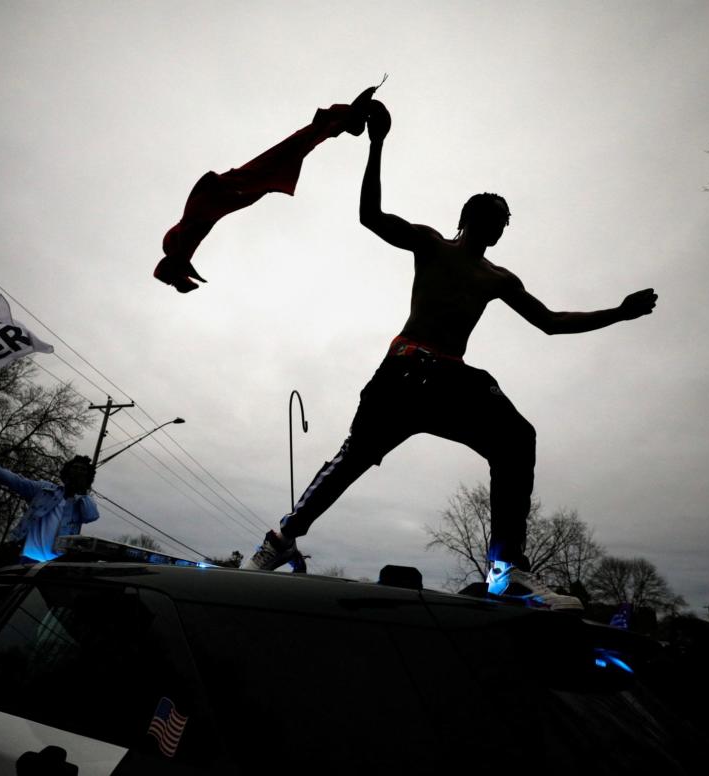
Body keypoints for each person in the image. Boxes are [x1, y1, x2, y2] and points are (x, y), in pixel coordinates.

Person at [244, 99, 658, 610]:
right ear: (468, 218)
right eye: (491, 219)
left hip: (449, 380)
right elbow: (370, 216)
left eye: (503, 223)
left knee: (515, 439)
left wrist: (617, 312)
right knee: (355, 455)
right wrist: (377, 145)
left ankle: (506, 568)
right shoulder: (430, 244)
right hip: (405, 371)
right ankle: (281, 540)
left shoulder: (499, 279)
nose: (498, 229)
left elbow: (550, 323)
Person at [0, 454, 99, 562]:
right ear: (67, 471)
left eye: (83, 470)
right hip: (24, 557)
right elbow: (13, 480)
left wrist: (81, 491)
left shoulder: (81, 504)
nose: (78, 472)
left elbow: (91, 515)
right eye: (75, 468)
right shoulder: (45, 490)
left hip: (53, 566)